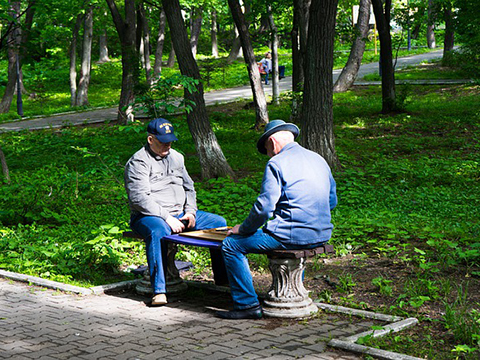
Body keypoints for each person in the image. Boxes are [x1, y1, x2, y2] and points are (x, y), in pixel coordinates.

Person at [216, 120, 337, 319]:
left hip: (290, 235)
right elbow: (331, 200)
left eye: (267, 150)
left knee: (231, 244)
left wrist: (243, 229)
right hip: (322, 234)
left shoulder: (276, 163)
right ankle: (292, 293)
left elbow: (264, 209)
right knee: (279, 237)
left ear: (272, 142)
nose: (269, 155)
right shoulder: (318, 159)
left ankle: (246, 305)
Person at [124, 118, 227, 306]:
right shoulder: (138, 162)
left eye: (170, 140)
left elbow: (190, 187)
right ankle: (159, 290)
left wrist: (191, 212)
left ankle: (223, 281)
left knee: (219, 223)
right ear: (150, 139)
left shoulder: (177, 157)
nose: (167, 144)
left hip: (180, 213)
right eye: (163, 141)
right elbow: (139, 199)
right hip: (149, 216)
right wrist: (167, 217)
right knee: (157, 232)